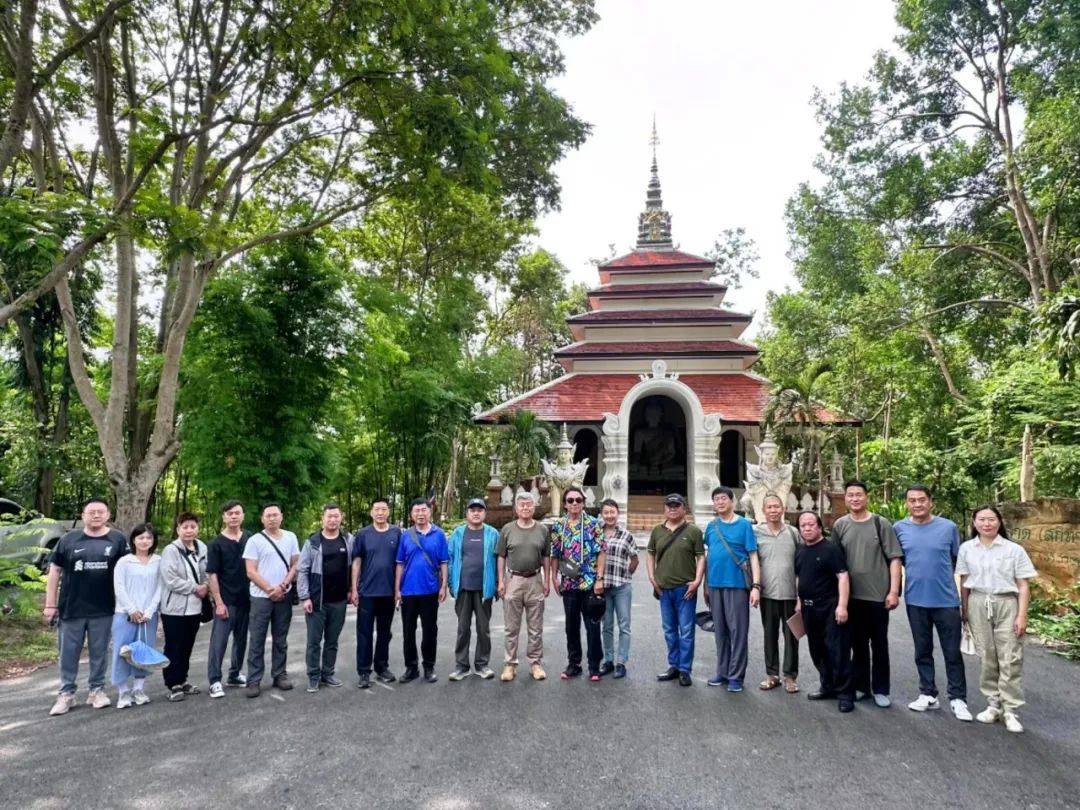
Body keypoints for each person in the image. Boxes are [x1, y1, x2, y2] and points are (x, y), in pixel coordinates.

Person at [44, 497, 128, 715]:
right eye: (91, 512)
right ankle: (66, 694)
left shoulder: (118, 540)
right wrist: (50, 605)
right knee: (68, 653)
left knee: (99, 651)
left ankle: (97, 690)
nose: (96, 515)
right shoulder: (68, 539)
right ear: (83, 516)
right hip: (71, 608)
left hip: (104, 608)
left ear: (108, 515)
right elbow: (54, 572)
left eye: (101, 511)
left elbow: (129, 572)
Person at [957, 505, 1037, 734]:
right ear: (974, 523)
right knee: (987, 655)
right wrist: (964, 610)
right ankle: (993, 704)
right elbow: (964, 583)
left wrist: (1022, 615)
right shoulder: (966, 549)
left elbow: (1023, 585)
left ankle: (1010, 710)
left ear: (999, 522)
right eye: (981, 520)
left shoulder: (1014, 550)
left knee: (1010, 656)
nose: (986, 524)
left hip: (1007, 603)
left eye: (991, 519)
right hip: (977, 603)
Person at [894, 485, 971, 721]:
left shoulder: (948, 528)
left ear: (931, 502)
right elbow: (898, 562)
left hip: (946, 600)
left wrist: (965, 605)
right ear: (907, 503)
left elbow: (959, 563)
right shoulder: (899, 528)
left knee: (952, 652)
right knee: (922, 650)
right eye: (912, 500)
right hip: (916, 600)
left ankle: (958, 699)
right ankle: (928, 693)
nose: (917, 504)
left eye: (922, 500)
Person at [831, 480, 903, 708]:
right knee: (857, 645)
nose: (854, 498)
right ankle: (862, 686)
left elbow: (894, 559)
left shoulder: (880, 523)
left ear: (867, 497)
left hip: (878, 596)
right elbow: (836, 562)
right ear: (845, 498)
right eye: (850, 495)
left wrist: (893, 591)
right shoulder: (840, 525)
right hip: (852, 598)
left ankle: (881, 688)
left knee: (879, 644)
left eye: (859, 494)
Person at [794, 511, 854, 712]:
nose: (807, 528)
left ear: (819, 527)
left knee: (837, 651)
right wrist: (798, 601)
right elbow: (799, 577)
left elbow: (843, 577)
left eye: (811, 524)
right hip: (809, 609)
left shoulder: (830, 549)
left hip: (830, 607)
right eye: (803, 525)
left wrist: (842, 605)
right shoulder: (801, 550)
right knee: (817, 650)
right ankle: (827, 686)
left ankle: (846, 693)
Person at [703, 486, 761, 693]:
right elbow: (708, 556)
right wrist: (705, 585)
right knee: (720, 632)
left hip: (737, 585)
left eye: (723, 499)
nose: (719, 502)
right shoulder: (711, 526)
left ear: (732, 501)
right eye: (716, 499)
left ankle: (736, 676)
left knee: (738, 632)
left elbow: (753, 555)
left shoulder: (744, 525)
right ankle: (723, 671)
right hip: (715, 585)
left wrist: (756, 586)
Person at [646, 493, 705, 688]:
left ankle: (685, 669)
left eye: (676, 505)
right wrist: (652, 577)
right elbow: (650, 554)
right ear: (664, 508)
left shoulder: (694, 531)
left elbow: (701, 557)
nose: (672, 508)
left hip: (685, 588)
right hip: (664, 589)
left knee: (686, 630)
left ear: (684, 508)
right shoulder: (657, 531)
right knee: (670, 630)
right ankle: (674, 665)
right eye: (669, 505)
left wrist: (697, 580)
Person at [243, 503, 300, 698]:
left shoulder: (291, 537)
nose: (272, 518)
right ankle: (254, 680)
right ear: (262, 518)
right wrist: (269, 589)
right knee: (257, 639)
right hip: (261, 598)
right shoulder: (254, 540)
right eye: (268, 515)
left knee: (280, 639)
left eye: (275, 515)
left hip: (283, 595)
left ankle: (279, 675)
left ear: (281, 517)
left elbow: (295, 564)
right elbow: (250, 571)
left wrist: (283, 586)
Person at [550, 487, 607, 682]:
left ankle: (594, 665)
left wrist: (600, 578)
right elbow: (555, 554)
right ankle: (574, 663)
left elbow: (601, 551)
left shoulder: (593, 524)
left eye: (578, 500)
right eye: (570, 500)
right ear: (565, 504)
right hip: (568, 583)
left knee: (592, 625)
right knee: (571, 626)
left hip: (590, 582)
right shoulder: (559, 526)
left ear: (583, 502)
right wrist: (553, 577)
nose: (575, 503)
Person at [496, 491, 551, 682]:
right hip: (514, 580)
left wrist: (547, 580)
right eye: (522, 505)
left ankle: (535, 663)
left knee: (535, 627)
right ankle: (510, 664)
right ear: (516, 509)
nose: (526, 508)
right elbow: (501, 556)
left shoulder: (542, 530)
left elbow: (546, 557)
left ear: (533, 507)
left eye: (529, 505)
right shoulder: (507, 529)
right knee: (511, 627)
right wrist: (501, 581)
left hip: (535, 579)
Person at [298, 503, 352, 692]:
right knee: (314, 641)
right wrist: (305, 597)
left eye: (336, 516)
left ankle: (327, 673)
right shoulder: (312, 542)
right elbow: (302, 570)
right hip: (317, 601)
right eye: (329, 516)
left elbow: (354, 567)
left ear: (341, 517)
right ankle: (313, 676)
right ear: (323, 518)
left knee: (332, 640)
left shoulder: (347, 540)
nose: (333, 520)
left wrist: (352, 590)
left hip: (339, 601)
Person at [395, 499, 449, 683]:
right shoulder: (405, 536)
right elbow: (400, 564)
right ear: (411, 514)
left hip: (430, 590)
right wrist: (397, 589)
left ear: (430, 512)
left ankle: (428, 666)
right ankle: (411, 668)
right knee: (408, 631)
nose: (420, 513)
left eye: (423, 510)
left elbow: (444, 562)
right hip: (408, 591)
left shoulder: (439, 534)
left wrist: (444, 586)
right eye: (416, 510)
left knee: (430, 630)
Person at [447, 498, 500, 681]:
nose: (476, 513)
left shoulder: (493, 534)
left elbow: (500, 560)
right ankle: (462, 666)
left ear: (485, 513)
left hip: (484, 589)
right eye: (472, 510)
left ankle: (482, 664)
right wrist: (451, 584)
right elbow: (451, 559)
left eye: (479, 510)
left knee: (483, 629)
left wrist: (499, 584)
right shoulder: (457, 533)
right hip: (463, 588)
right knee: (463, 628)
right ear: (467, 513)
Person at [110, 523, 162, 708]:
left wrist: (149, 611)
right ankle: (123, 693)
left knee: (143, 652)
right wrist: (132, 609)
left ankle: (139, 689)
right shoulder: (124, 561)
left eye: (149, 537)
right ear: (133, 539)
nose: (145, 541)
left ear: (153, 540)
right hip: (125, 614)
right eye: (141, 537)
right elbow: (119, 587)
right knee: (122, 652)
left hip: (149, 615)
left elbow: (160, 587)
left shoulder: (158, 560)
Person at [350, 498, 401, 689]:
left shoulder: (396, 532)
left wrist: (398, 590)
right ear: (371, 512)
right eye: (377, 509)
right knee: (364, 633)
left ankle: (381, 667)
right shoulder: (363, 534)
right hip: (367, 592)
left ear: (388, 512)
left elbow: (399, 564)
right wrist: (354, 588)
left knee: (384, 632)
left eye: (384, 509)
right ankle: (364, 671)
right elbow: (356, 561)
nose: (380, 512)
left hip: (387, 592)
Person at [752, 493, 800, 693]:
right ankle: (772, 675)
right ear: (763, 511)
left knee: (792, 636)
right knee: (769, 635)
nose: (773, 510)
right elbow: (751, 561)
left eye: (776, 507)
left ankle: (790, 676)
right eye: (769, 507)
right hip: (768, 593)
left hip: (791, 593)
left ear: (783, 509)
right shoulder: (756, 533)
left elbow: (802, 562)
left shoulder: (793, 532)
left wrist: (801, 594)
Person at [159, 512, 209, 701]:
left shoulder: (202, 547)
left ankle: (183, 679)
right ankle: (173, 684)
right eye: (185, 527)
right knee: (174, 646)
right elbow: (170, 580)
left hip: (195, 607)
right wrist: (195, 588)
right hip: (174, 608)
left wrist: (205, 586)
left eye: (192, 526)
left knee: (187, 645)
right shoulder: (170, 550)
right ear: (178, 529)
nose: (189, 530)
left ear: (197, 528)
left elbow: (207, 572)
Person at [206, 500, 250, 698]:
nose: (233, 516)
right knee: (219, 642)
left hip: (247, 600)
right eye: (229, 513)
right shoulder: (216, 544)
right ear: (224, 517)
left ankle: (234, 674)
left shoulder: (250, 538)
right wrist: (219, 602)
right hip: (226, 601)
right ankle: (214, 680)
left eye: (237, 513)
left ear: (243, 515)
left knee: (241, 641)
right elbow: (212, 574)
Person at [598, 499, 637, 679]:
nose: (609, 515)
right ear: (602, 514)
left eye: (612, 512)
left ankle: (621, 662)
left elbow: (634, 559)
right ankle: (608, 660)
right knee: (606, 625)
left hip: (622, 586)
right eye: (606, 512)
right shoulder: (597, 533)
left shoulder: (626, 535)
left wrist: (626, 573)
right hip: (603, 587)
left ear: (617, 513)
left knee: (624, 625)